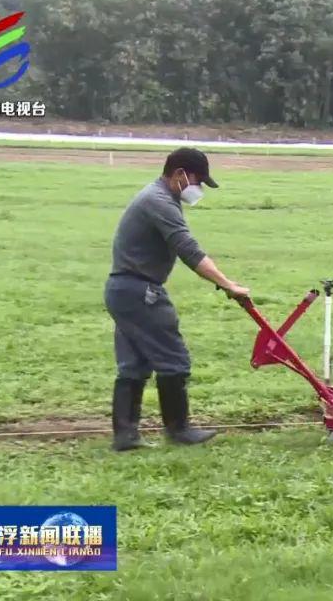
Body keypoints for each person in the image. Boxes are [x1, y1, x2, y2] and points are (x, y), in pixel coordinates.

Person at [104, 147, 250, 451]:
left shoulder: (157, 197)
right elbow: (189, 250)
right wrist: (227, 285)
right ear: (180, 174)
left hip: (124, 290)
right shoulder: (159, 202)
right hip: (140, 292)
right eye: (197, 181)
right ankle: (179, 429)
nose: (197, 189)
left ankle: (126, 437)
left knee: (134, 364)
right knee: (174, 360)